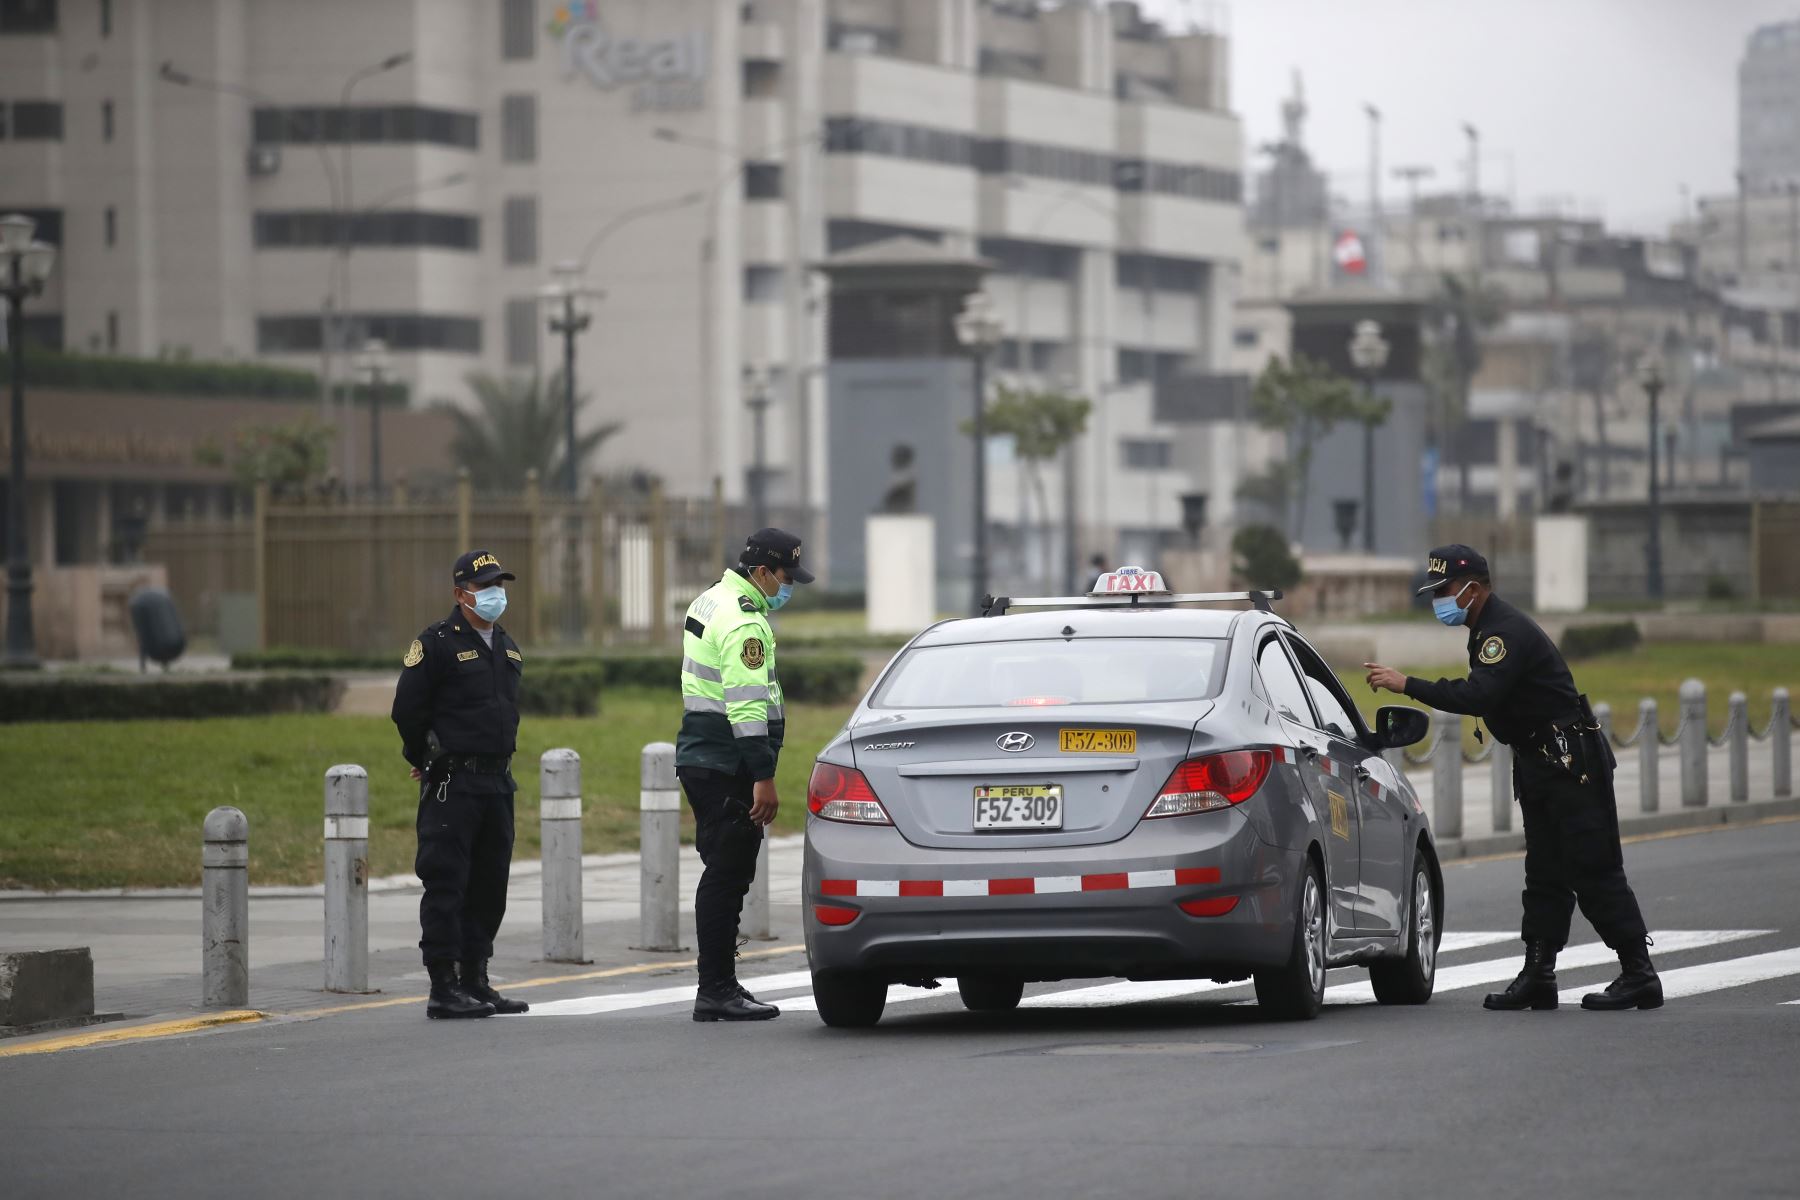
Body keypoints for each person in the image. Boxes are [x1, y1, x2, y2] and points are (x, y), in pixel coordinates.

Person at [1364, 544, 1662, 1012]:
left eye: (1444, 591)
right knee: (1544, 873)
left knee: (1593, 868)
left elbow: (1480, 693)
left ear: (1473, 589)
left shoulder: (1502, 632)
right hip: (1543, 763)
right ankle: (1539, 975)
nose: (1438, 599)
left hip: (1569, 763)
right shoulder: (1486, 629)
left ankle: (1639, 973)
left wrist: (1409, 685)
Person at [676, 527, 814, 1021]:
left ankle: (721, 984)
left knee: (725, 870)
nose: (787, 586)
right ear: (760, 572)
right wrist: (763, 775)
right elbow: (748, 705)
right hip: (728, 762)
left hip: (703, 756)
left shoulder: (711, 600)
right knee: (727, 876)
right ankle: (715, 989)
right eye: (785, 576)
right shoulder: (745, 622)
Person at [391, 549, 531, 1020]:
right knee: (448, 884)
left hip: (497, 784)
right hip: (454, 785)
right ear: (460, 593)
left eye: (500, 585)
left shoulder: (508, 647)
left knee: (490, 886)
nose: (496, 594)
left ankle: (476, 977)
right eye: (486, 586)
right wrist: (426, 758)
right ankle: (443, 986)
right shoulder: (436, 643)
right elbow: (407, 710)